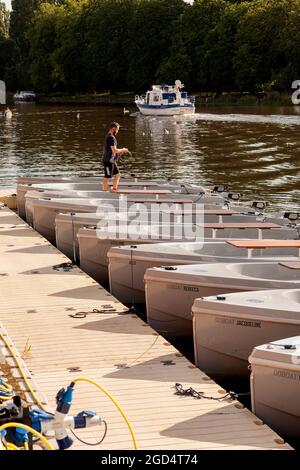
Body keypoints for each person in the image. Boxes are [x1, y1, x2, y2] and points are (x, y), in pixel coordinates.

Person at [101, 122, 128, 192]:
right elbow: (114, 150)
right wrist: (123, 149)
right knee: (107, 176)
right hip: (108, 161)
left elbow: (113, 150)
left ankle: (114, 189)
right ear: (114, 128)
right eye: (117, 130)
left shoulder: (109, 136)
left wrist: (119, 152)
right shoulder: (110, 138)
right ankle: (104, 191)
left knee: (118, 175)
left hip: (112, 160)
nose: (117, 131)